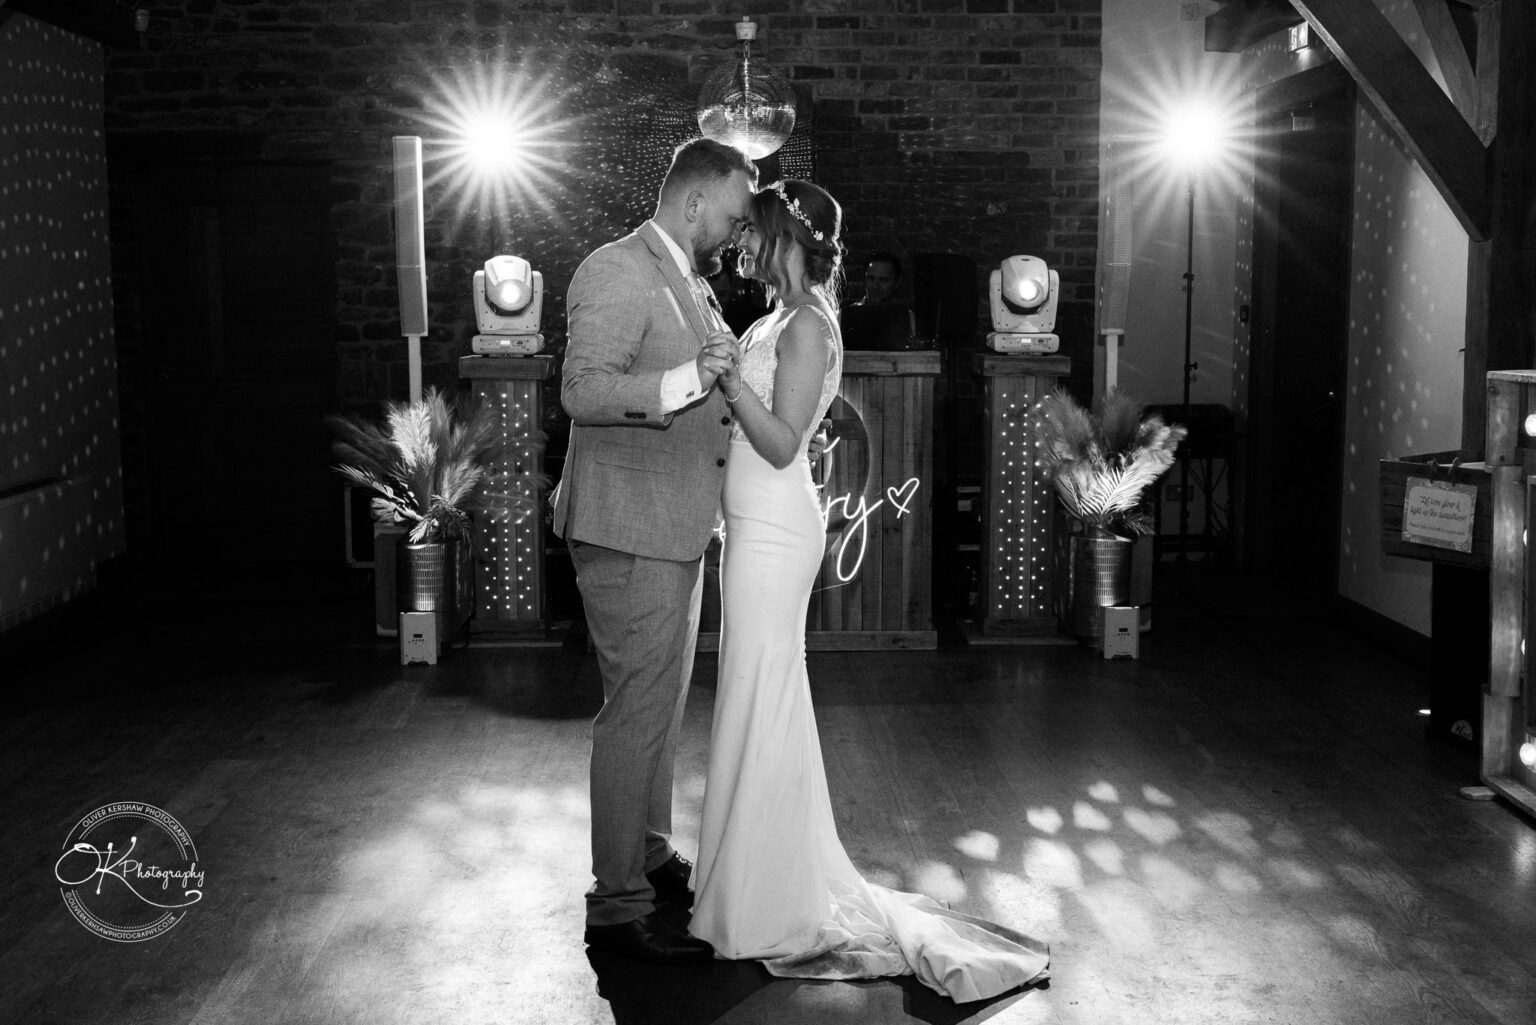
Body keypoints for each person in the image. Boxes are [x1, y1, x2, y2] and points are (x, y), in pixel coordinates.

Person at [691, 179, 1051, 1002]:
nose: (746, 242)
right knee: (753, 688)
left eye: (758, 231)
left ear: (790, 240)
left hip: (778, 526)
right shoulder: (778, 318)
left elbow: (782, 443)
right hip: (749, 523)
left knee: (762, 686)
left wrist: (726, 380)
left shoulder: (811, 324)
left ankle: (765, 895)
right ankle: (749, 877)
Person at [551, 137, 756, 965]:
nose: (737, 235)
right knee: (634, 713)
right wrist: (683, 386)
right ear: (695, 201)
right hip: (627, 527)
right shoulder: (617, 267)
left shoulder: (692, 282)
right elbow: (582, 388)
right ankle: (618, 903)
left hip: (672, 525)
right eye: (736, 217)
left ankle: (649, 852)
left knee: (661, 708)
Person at [842, 250, 920, 350]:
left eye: (883, 280)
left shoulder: (909, 319)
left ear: (897, 283)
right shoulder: (847, 315)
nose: (875, 286)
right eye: (871, 278)